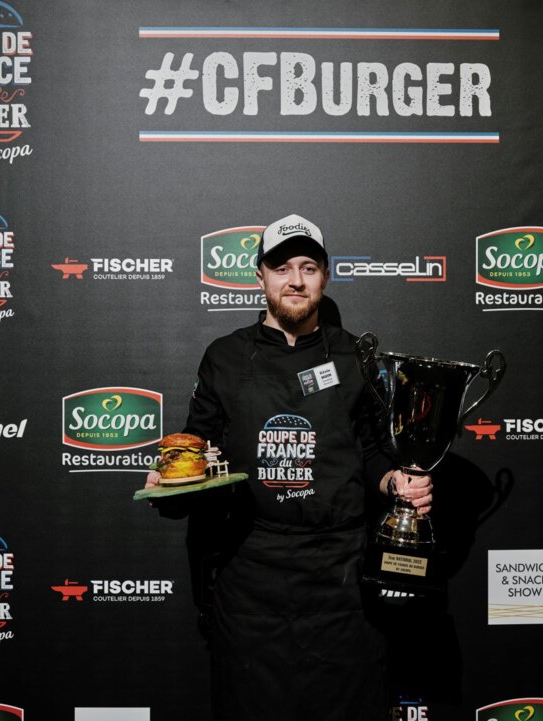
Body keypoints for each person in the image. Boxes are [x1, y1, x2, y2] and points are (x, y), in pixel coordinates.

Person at [146, 213, 432, 721]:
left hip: (342, 577)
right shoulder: (225, 357)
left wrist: (394, 480)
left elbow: (369, 451)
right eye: (280, 267)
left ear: (326, 276)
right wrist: (173, 485)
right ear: (260, 278)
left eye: (308, 267)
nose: (295, 280)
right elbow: (201, 459)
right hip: (252, 576)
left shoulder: (355, 357)